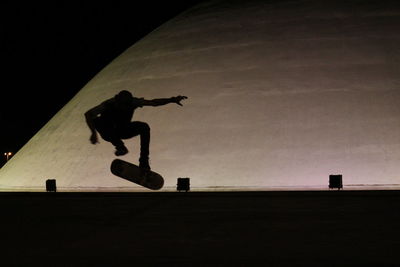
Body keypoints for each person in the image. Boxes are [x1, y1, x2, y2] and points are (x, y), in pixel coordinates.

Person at [85, 90, 187, 170]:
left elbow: (153, 102)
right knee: (97, 120)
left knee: (144, 127)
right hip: (109, 132)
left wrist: (172, 100)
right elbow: (88, 114)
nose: (124, 108)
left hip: (123, 130)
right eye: (121, 105)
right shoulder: (108, 104)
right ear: (117, 101)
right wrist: (93, 133)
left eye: (126, 105)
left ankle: (144, 161)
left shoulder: (134, 102)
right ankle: (120, 146)